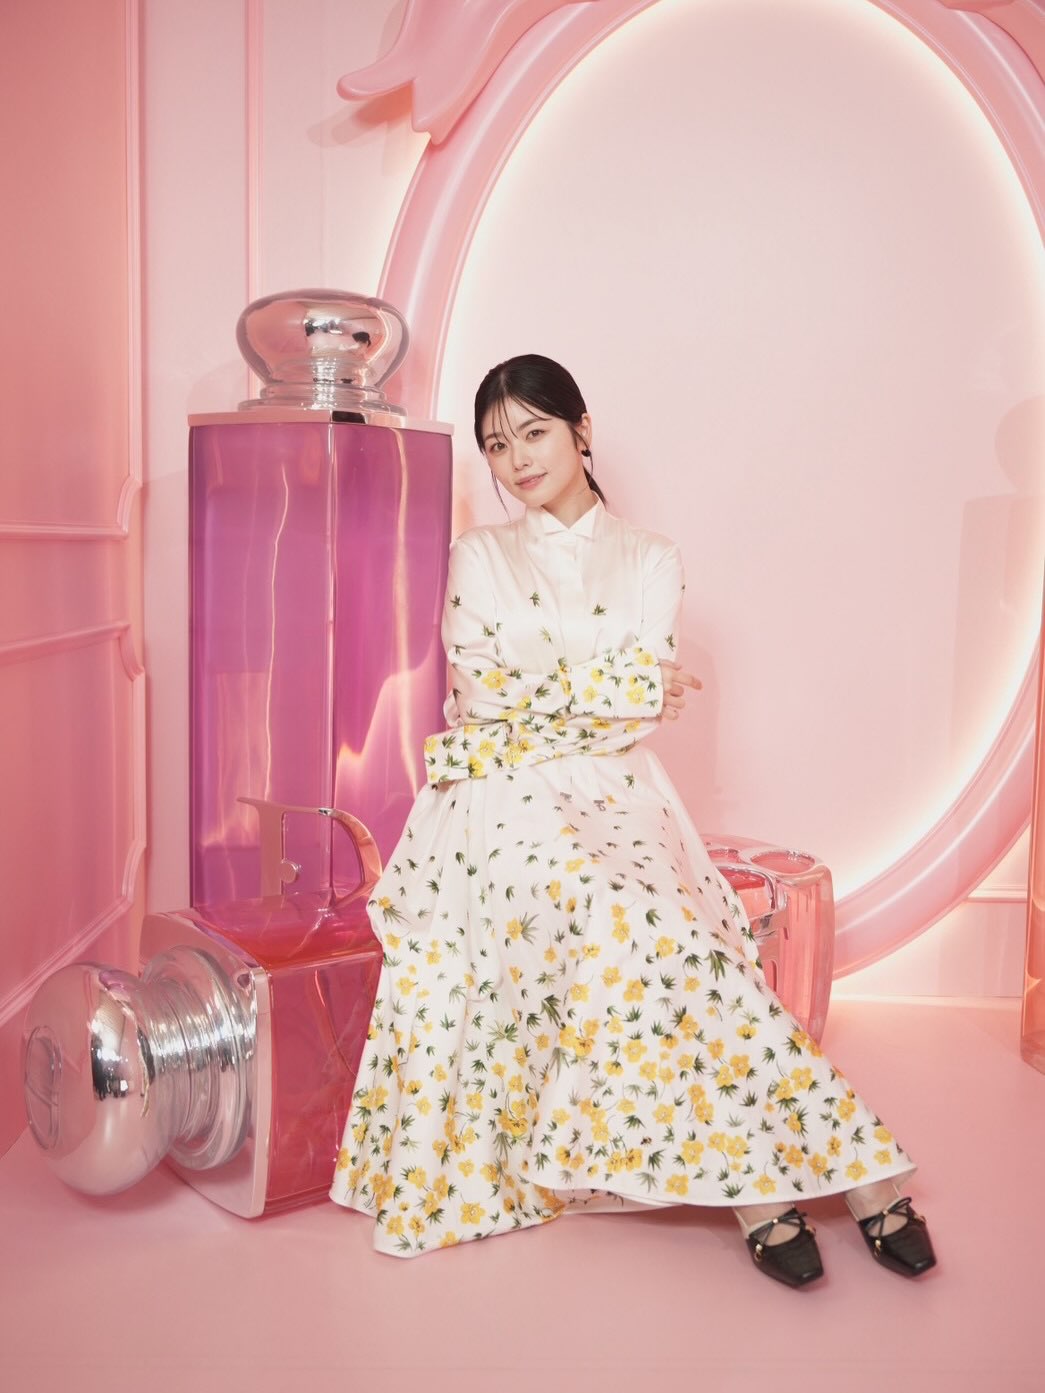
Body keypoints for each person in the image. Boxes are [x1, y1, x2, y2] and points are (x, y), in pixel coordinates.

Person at [329, 353, 937, 1287]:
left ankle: (824, 1181)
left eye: (533, 432)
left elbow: (634, 721)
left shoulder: (650, 556)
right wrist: (621, 683)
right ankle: (820, 1187)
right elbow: (483, 697)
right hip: (499, 797)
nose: (516, 460)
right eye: (496, 445)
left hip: (617, 792)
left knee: (681, 938)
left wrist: (610, 696)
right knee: (629, 917)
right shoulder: (479, 556)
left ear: (581, 430)